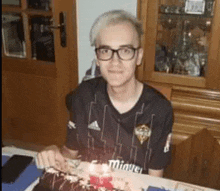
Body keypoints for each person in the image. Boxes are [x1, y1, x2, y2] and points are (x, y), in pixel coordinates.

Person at [37, 10, 173, 177]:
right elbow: (70, 153)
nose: (115, 62)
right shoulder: (83, 96)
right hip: (87, 189)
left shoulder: (159, 110)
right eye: (105, 51)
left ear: (139, 56)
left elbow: (155, 179)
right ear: (97, 58)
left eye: (125, 50)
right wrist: (54, 152)